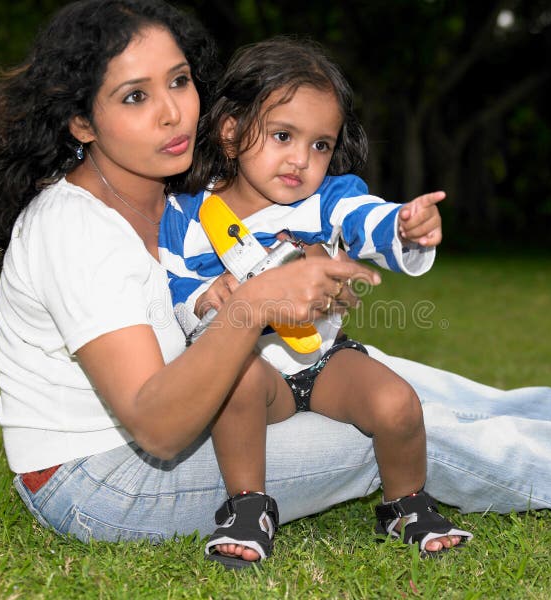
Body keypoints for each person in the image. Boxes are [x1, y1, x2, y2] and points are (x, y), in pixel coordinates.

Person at [0, 0, 551, 572]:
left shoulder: (173, 199)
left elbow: (331, 226)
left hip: (215, 396)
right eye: (134, 97)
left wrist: (320, 278)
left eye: (178, 81)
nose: (173, 111)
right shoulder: (77, 228)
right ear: (81, 122)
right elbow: (158, 426)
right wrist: (262, 304)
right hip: (103, 478)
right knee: (391, 430)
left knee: (399, 382)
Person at [159, 37, 471, 568]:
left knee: (397, 403)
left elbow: (369, 219)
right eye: (283, 135)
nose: (302, 160)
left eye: (321, 145)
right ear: (231, 131)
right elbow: (170, 282)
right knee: (236, 382)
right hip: (249, 367)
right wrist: (201, 300)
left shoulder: (328, 200)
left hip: (324, 361)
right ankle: (248, 506)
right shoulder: (189, 213)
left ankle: (405, 503)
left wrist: (406, 228)